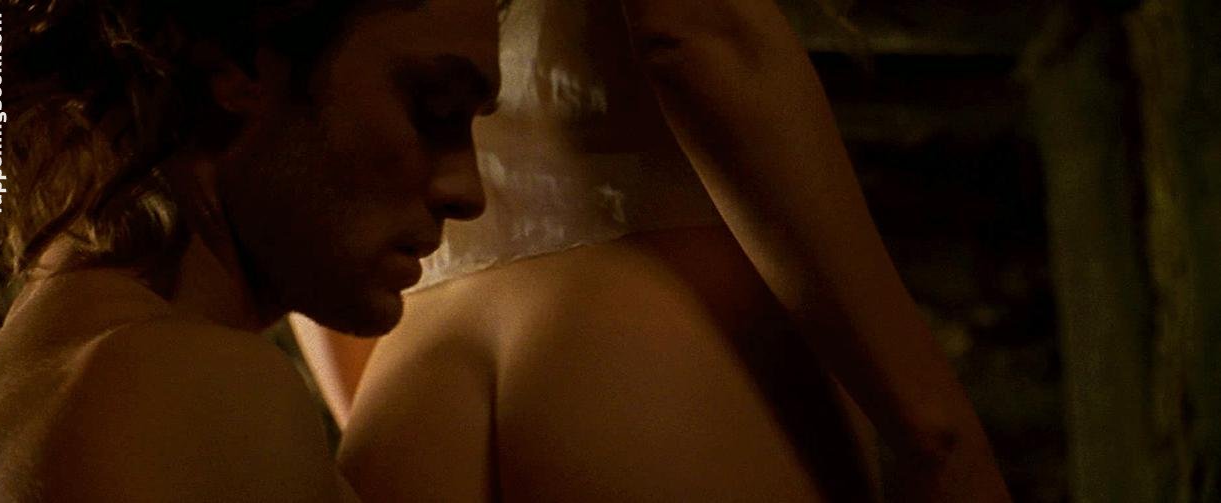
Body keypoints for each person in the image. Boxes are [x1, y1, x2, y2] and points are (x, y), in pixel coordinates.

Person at [306, 0, 1011, 501]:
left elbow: (298, 115)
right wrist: (937, 432)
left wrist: (367, 407)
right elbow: (702, 36)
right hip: (650, 362)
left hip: (409, 383)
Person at [0, 0, 500, 500]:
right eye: (437, 111)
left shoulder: (12, 386)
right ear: (236, 65)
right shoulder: (189, 388)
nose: (468, 193)